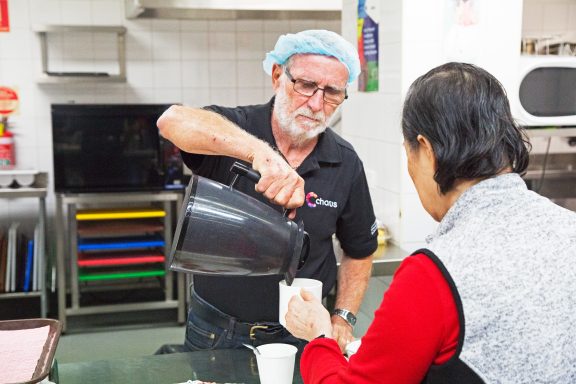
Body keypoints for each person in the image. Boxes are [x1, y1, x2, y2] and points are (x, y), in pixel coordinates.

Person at [285, 62, 576, 383]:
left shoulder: (433, 274)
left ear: (426, 151)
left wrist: (319, 337)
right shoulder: (569, 228)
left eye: (408, 155)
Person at [157, 30, 378, 352]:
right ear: (277, 76)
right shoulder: (234, 129)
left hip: (302, 335)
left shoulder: (345, 162)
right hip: (216, 330)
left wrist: (343, 317)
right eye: (305, 85)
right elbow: (171, 120)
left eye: (331, 92)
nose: (316, 103)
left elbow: (360, 250)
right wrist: (260, 154)